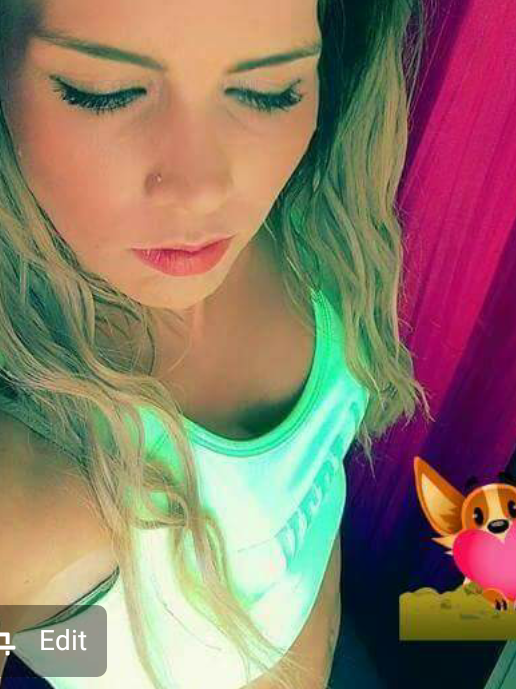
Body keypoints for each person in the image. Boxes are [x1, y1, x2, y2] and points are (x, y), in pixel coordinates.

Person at [0, 1, 431, 688]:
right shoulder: (33, 471)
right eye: (105, 93)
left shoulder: (308, 214)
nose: (202, 192)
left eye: (268, 91)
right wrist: (59, 642)